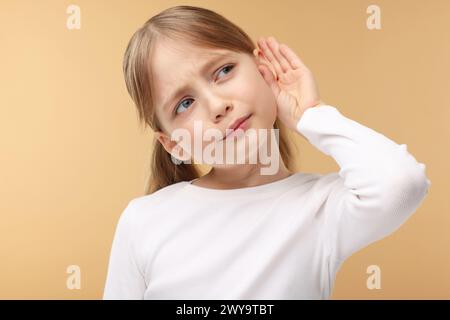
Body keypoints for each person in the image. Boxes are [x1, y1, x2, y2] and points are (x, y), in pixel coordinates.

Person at [103, 5, 430, 299]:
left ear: (263, 68)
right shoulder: (143, 221)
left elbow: (401, 184)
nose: (218, 106)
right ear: (173, 144)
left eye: (224, 71)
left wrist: (311, 115)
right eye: (185, 103)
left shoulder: (319, 208)